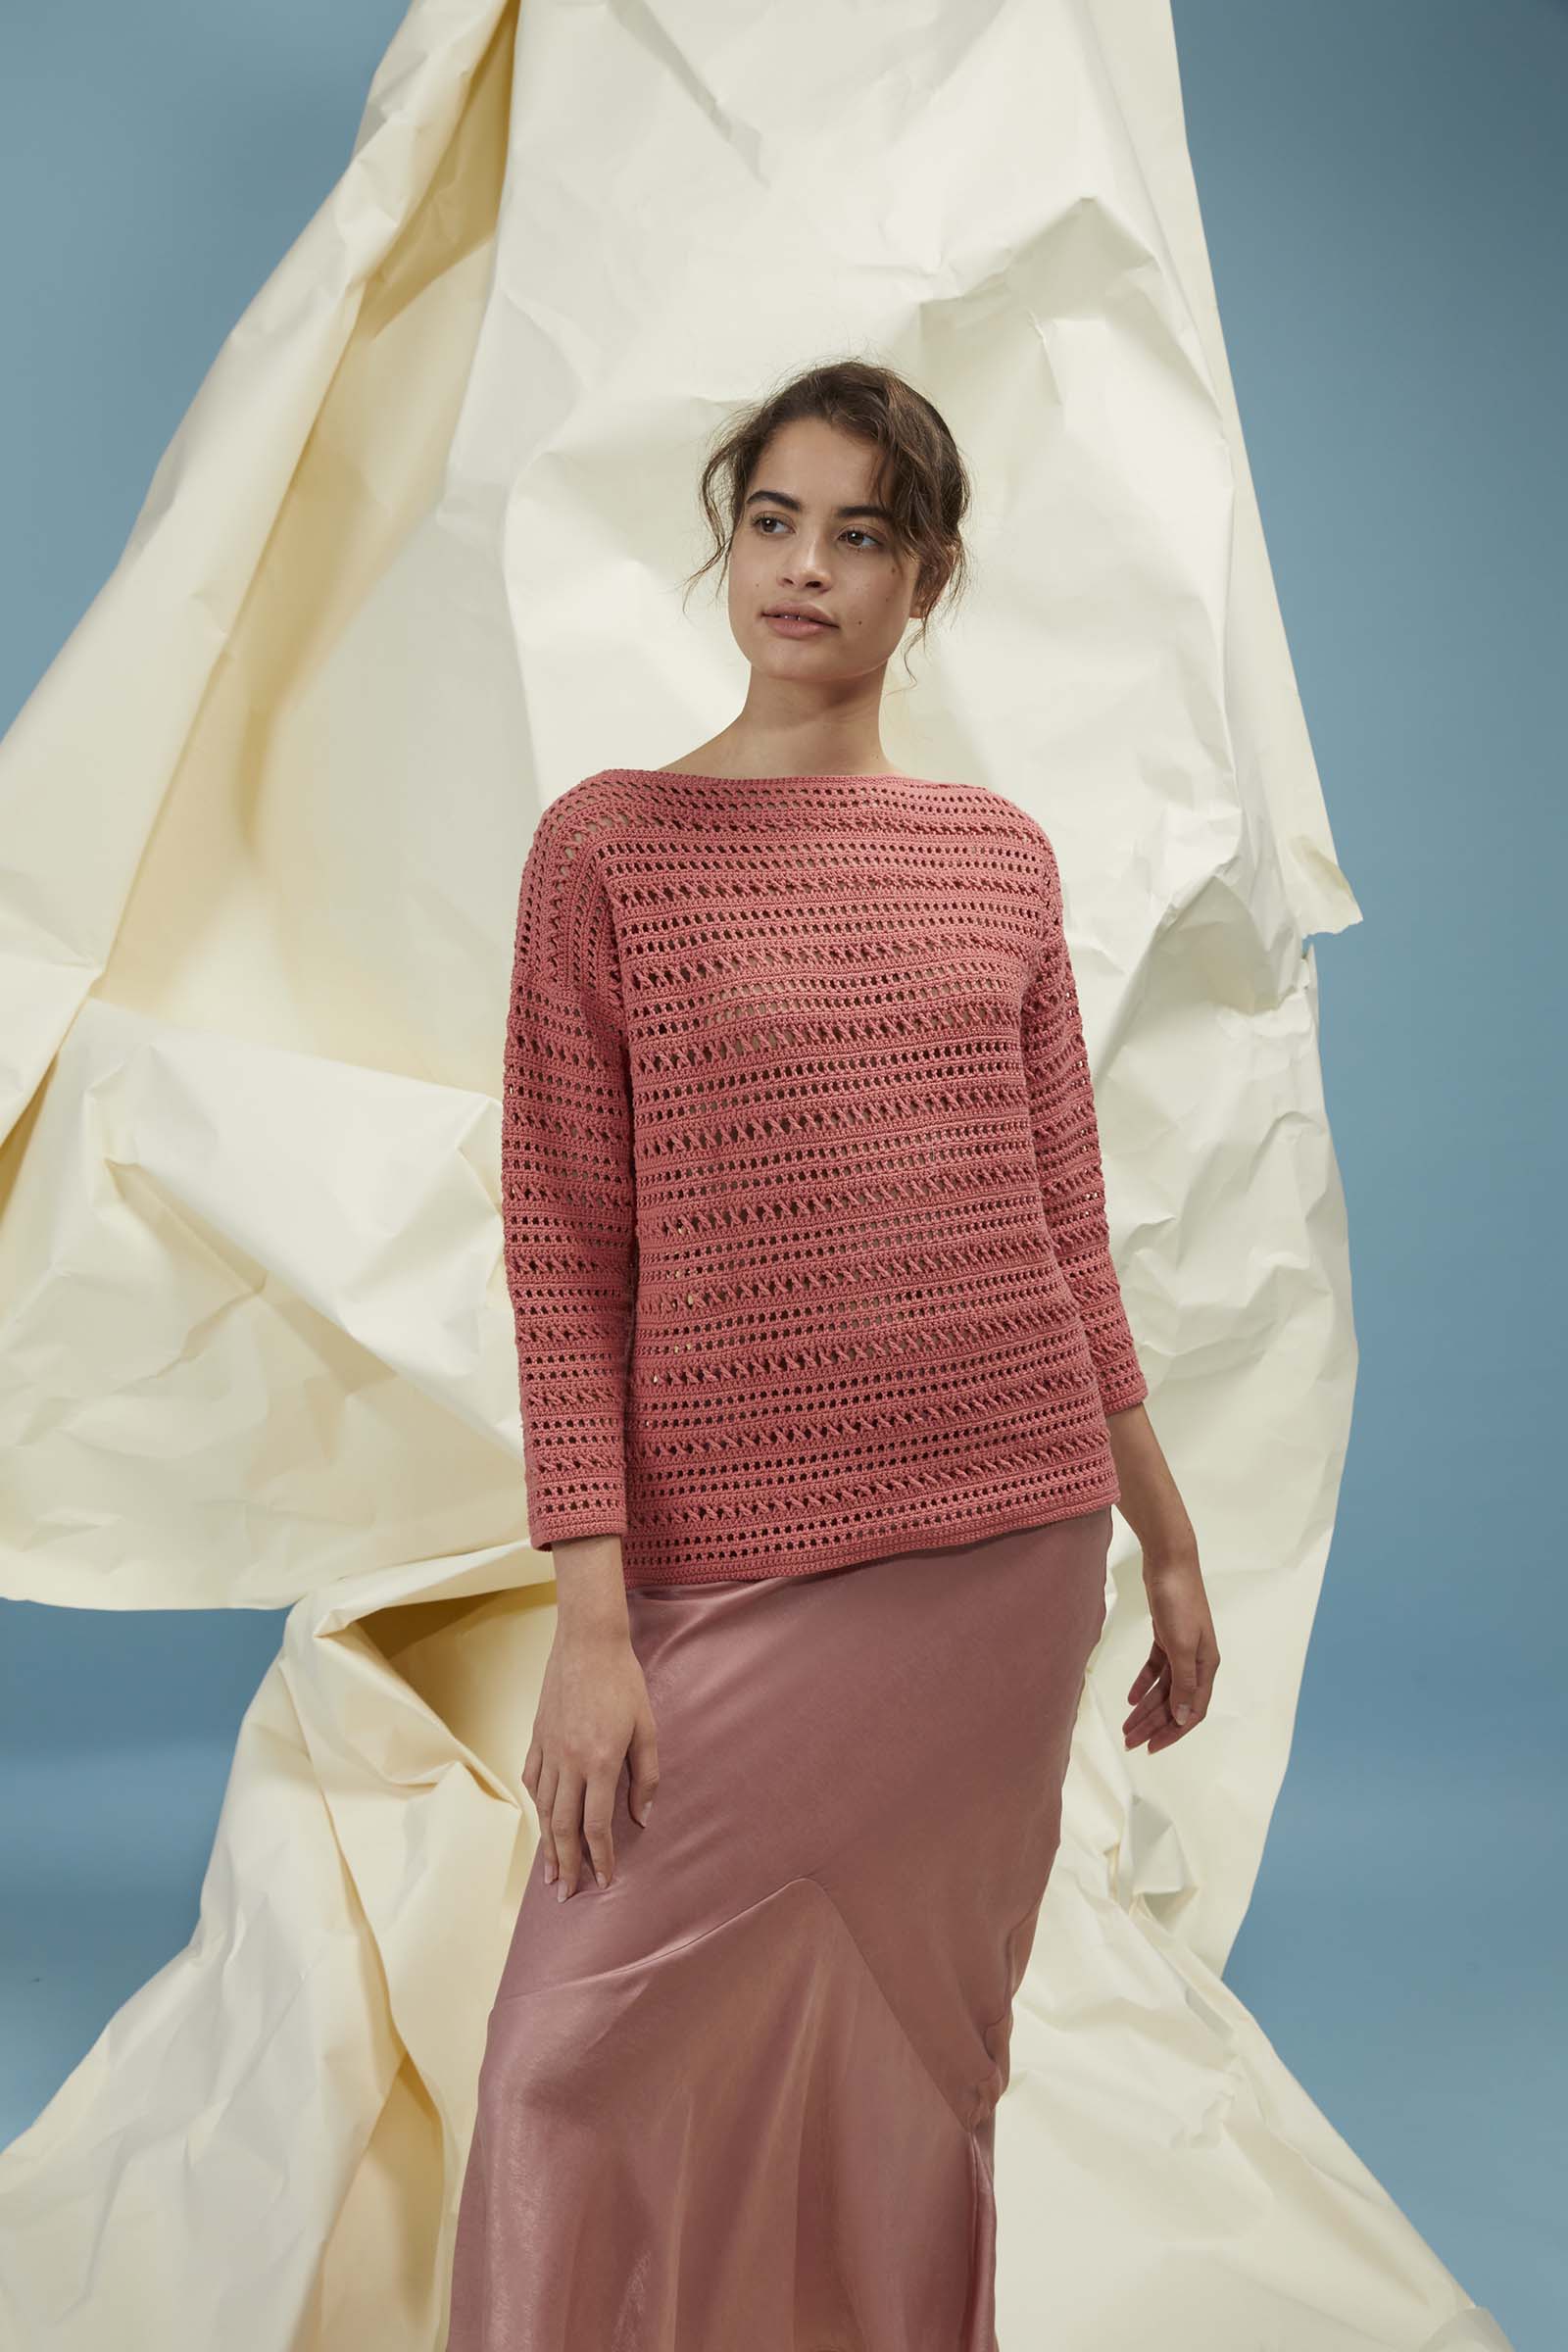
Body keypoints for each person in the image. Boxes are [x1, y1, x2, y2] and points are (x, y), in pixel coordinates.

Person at [445, 357, 1218, 2351]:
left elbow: (1065, 1225)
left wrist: (1167, 1538)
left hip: (1005, 1552)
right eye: (772, 523)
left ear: (924, 579)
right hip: (721, 1566)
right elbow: (563, 1250)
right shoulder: (607, 850)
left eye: (858, 535)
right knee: (562, 2067)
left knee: (908, 2075)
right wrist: (594, 1625)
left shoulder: (996, 855)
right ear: (729, 548)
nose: (802, 568)